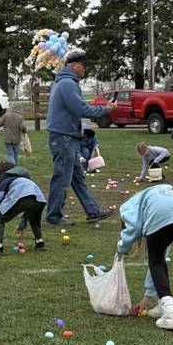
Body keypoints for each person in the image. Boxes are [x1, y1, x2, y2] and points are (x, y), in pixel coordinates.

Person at [45, 49, 116, 226]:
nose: (85, 71)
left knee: (77, 177)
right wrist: (105, 109)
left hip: (65, 136)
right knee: (62, 178)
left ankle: (92, 211)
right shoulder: (68, 83)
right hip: (64, 138)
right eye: (84, 67)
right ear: (75, 65)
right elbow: (80, 109)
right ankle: (53, 216)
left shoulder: (62, 82)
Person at [117, 184, 173, 330]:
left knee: (156, 261)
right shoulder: (150, 197)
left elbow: (133, 228)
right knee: (158, 259)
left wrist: (122, 248)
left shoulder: (128, 206)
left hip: (162, 210)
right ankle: (163, 304)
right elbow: (160, 258)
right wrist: (146, 298)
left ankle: (170, 314)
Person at [0, 161, 46, 254]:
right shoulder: (24, 179)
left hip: (22, 197)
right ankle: (39, 242)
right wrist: (23, 221)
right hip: (39, 198)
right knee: (34, 219)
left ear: (0, 174)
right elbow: (29, 204)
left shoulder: (5, 179)